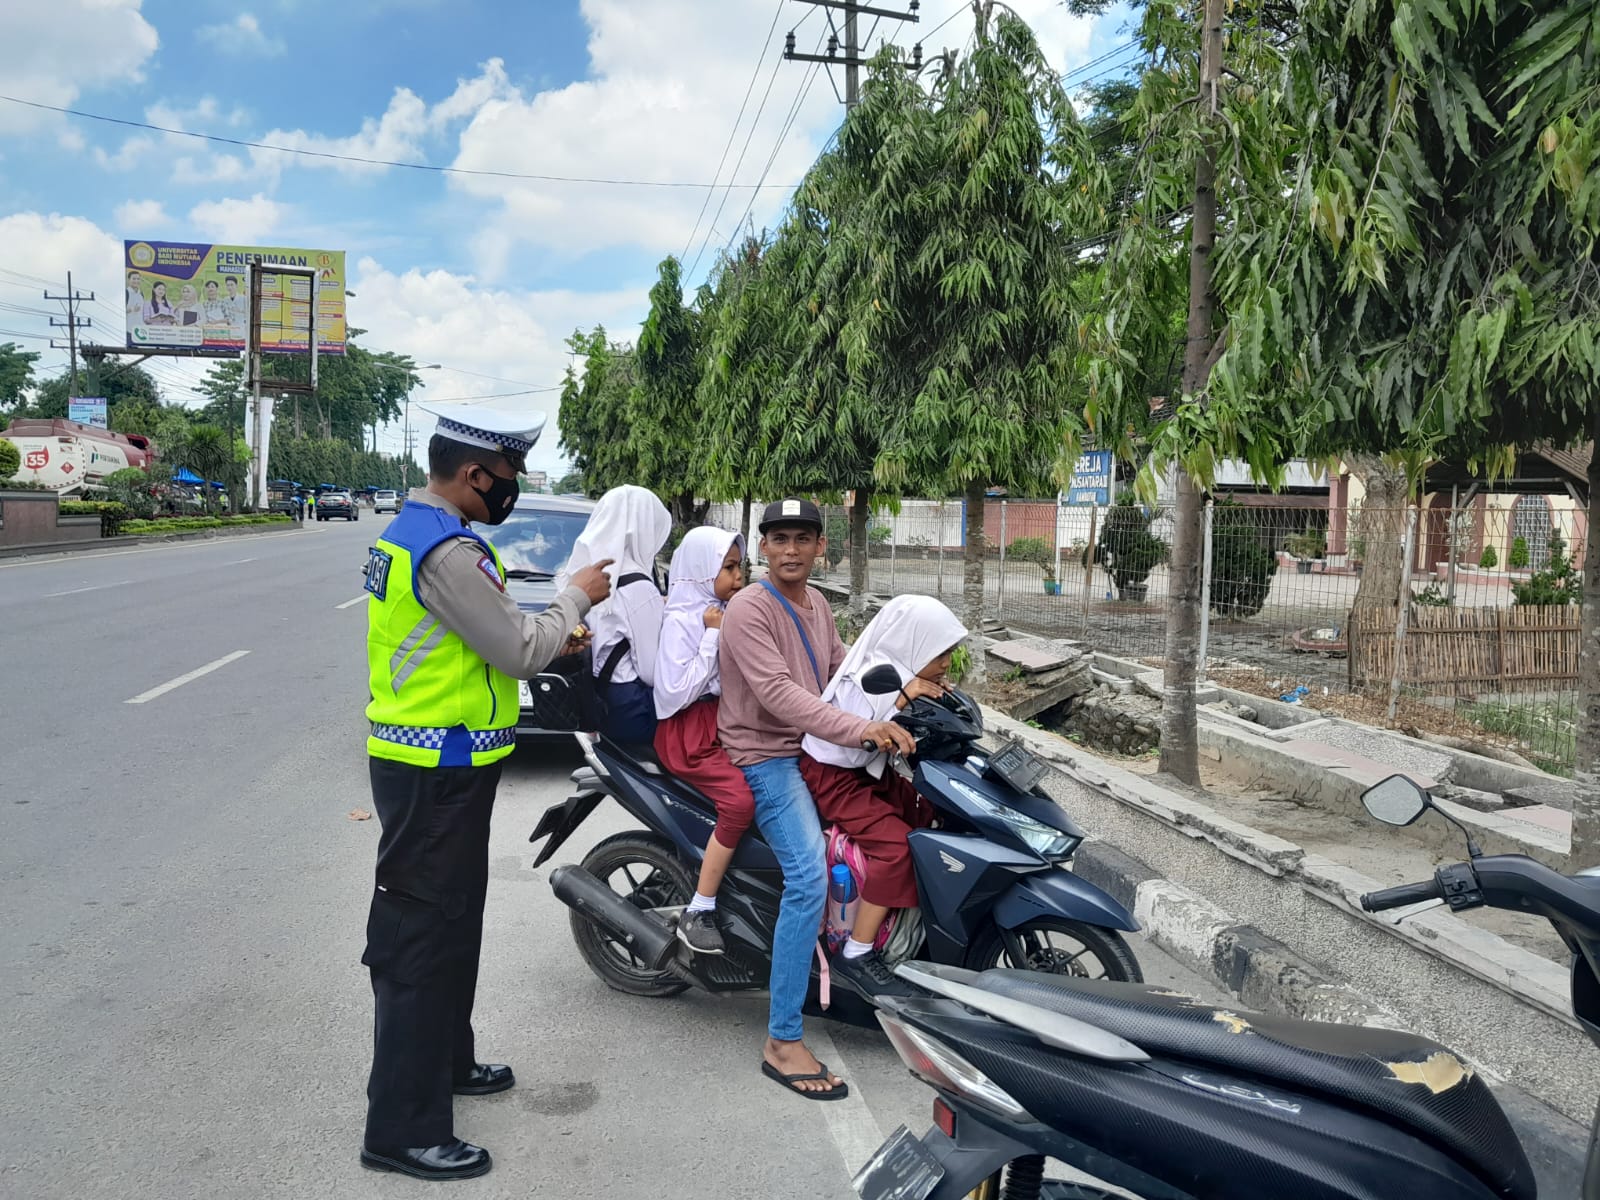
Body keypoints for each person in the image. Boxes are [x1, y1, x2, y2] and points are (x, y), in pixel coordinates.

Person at [359, 401, 613, 1182]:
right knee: (420, 944)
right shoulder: (445, 551)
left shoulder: (420, 534)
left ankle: (447, 1061)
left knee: (453, 925)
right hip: (432, 772)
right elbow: (516, 649)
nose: (515, 486)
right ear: (475, 475)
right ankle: (401, 1128)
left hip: (448, 767)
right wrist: (574, 598)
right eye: (510, 475)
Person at [718, 498, 916, 1101]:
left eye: (803, 538)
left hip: (815, 746)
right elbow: (777, 693)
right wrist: (859, 730)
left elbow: (839, 675)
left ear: (820, 546)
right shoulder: (750, 608)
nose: (791, 550)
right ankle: (781, 1039)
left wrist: (908, 690)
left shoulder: (818, 603)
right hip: (768, 753)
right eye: (779, 539)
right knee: (807, 876)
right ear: (763, 547)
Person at [800, 595, 966, 997]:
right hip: (834, 777)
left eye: (949, 652)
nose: (946, 661)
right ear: (913, 644)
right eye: (939, 651)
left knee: (927, 812)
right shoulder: (872, 678)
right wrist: (905, 698)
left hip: (864, 773)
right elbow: (867, 727)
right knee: (896, 850)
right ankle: (856, 953)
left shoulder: (905, 676)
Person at [651, 527, 753, 954]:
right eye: (727, 568)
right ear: (699, 571)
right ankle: (700, 905)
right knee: (741, 801)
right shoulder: (682, 620)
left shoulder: (720, 611)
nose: (738, 578)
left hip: (719, 723)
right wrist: (711, 636)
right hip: (687, 733)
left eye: (739, 567)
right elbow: (672, 693)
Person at [557, 485, 670, 745]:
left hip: (596, 694)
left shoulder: (584, 575)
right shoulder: (640, 587)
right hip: (630, 705)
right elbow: (651, 672)